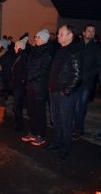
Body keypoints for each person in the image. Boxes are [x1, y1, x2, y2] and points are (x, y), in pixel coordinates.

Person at [45, 24, 82, 160]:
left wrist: (66, 91)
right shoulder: (60, 50)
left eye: (61, 33)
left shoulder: (73, 51)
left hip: (65, 94)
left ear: (70, 35)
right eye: (58, 33)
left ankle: (65, 148)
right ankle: (56, 143)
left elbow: (77, 75)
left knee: (66, 122)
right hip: (54, 92)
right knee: (56, 120)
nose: (58, 35)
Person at [22, 29, 53, 146]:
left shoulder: (47, 53)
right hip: (30, 85)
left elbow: (44, 70)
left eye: (38, 37)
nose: (35, 39)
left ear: (44, 40)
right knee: (31, 110)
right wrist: (25, 76)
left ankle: (41, 135)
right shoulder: (34, 51)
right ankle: (33, 132)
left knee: (39, 111)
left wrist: (29, 77)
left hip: (40, 86)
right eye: (35, 37)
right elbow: (28, 66)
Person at [73, 24, 101, 140]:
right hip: (75, 81)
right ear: (83, 33)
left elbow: (99, 66)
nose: (91, 33)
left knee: (80, 106)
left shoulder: (97, 47)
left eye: (93, 31)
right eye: (89, 31)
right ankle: (79, 125)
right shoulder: (77, 46)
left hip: (87, 82)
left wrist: (90, 75)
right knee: (77, 106)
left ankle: (79, 129)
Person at [11, 36, 29, 131]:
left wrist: (22, 80)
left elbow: (24, 72)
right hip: (17, 85)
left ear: (20, 47)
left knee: (16, 106)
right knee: (16, 106)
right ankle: (17, 123)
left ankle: (20, 124)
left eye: (15, 46)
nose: (14, 48)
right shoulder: (18, 56)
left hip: (20, 86)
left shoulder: (23, 58)